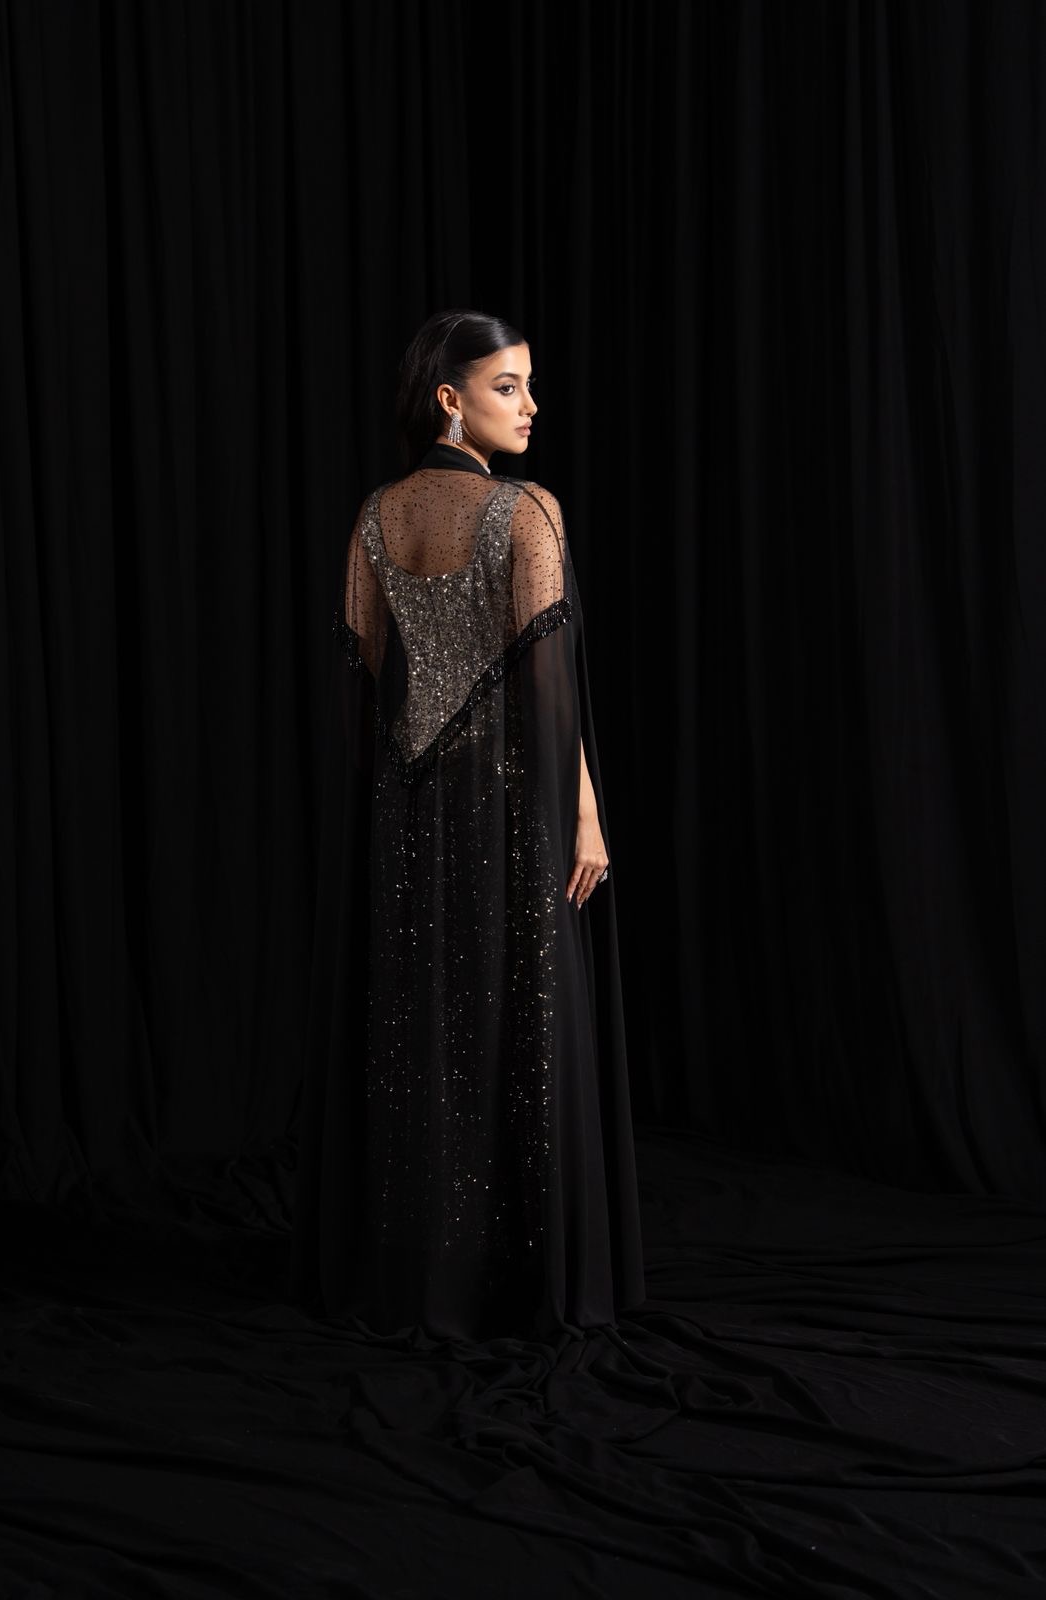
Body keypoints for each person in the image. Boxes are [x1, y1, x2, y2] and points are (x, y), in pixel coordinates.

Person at [290, 309, 645, 1342]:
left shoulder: (374, 519)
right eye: (507, 386)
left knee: (424, 1036)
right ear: (449, 399)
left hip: (404, 818)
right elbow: (550, 693)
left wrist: (390, 812)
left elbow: (358, 700)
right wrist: (584, 814)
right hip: (509, 814)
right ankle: (518, 1281)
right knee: (520, 1030)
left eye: (528, 385)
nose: (531, 407)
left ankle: (423, 1276)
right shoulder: (528, 512)